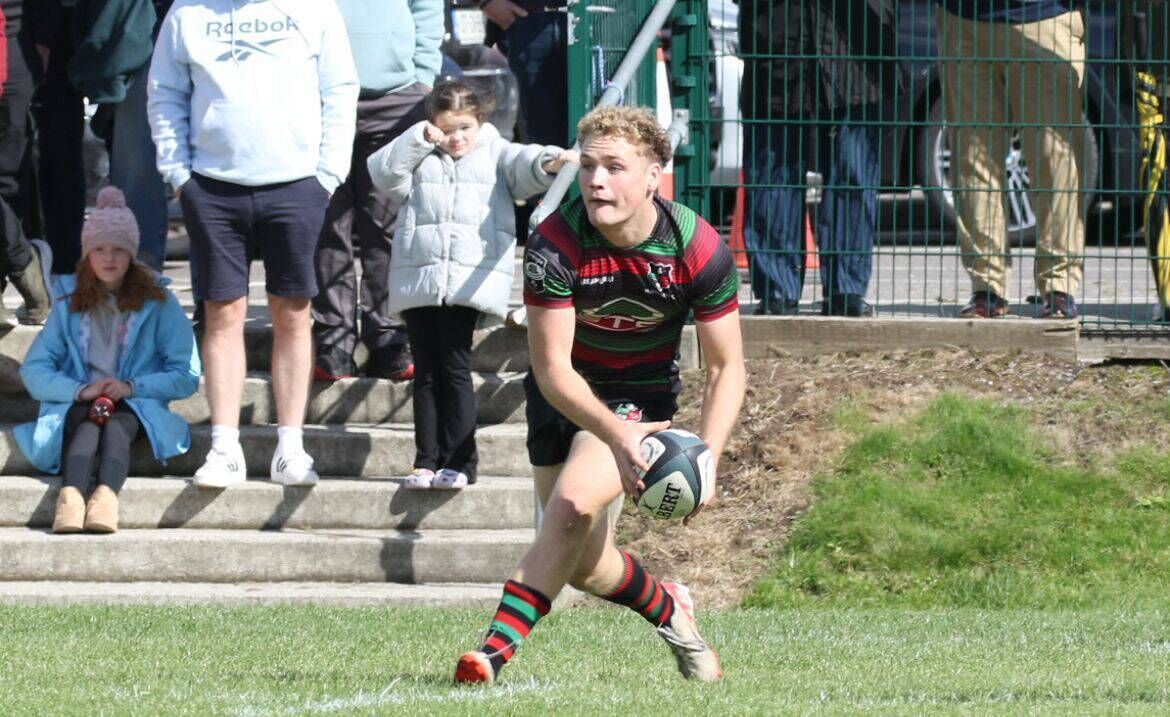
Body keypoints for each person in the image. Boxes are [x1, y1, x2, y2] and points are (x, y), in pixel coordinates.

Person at [453, 106, 745, 684]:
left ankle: (491, 653)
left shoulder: (697, 246)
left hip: (639, 398)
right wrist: (614, 436)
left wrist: (706, 455)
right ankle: (670, 608)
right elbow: (552, 369)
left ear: (654, 174)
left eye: (615, 166)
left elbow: (725, 367)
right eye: (587, 166)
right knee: (585, 564)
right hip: (562, 397)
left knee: (570, 510)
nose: (596, 180)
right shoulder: (555, 242)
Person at [148, 0, 359, 488]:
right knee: (222, 313)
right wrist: (180, 176)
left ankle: (291, 446)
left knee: (293, 313)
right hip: (212, 186)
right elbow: (164, 94)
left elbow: (340, 90)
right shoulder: (186, 11)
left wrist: (326, 175)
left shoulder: (316, 9)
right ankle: (224, 447)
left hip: (297, 183)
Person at [367, 81, 575, 490]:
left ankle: (462, 461)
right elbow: (383, 174)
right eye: (446, 128)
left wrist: (553, 161)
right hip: (420, 279)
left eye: (464, 127)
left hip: (465, 281)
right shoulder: (420, 155)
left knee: (454, 368)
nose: (456, 137)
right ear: (432, 126)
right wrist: (416, 139)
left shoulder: (494, 151)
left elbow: (523, 163)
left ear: (480, 121)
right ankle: (426, 460)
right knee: (426, 372)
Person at [15, 187, 200, 534]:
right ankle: (70, 499)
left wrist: (132, 386)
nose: (109, 258)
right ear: (87, 255)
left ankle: (105, 498)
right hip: (82, 400)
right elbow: (35, 369)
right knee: (89, 420)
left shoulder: (158, 301)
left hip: (137, 403)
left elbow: (187, 373)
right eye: (99, 249)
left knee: (117, 424)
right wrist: (81, 390)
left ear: (132, 254)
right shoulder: (68, 299)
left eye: (118, 249)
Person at [739, 0, 903, 317]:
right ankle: (777, 290)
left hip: (855, 50)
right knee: (774, 173)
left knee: (853, 173)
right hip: (778, 42)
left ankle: (847, 290)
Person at [312, 0, 443, 382]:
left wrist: (423, 78)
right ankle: (333, 340)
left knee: (387, 225)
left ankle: (388, 335)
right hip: (320, 96)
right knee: (326, 226)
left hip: (397, 98)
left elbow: (428, 9)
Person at [935, 0, 1087, 319]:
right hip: (963, 18)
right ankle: (987, 288)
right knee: (973, 161)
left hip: (1044, 17)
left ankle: (1058, 287)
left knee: (1054, 161)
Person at [0, 0, 52, 325]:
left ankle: (18, 266)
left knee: (7, 180)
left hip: (16, 40)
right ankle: (22, 261)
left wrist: (44, 40)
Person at [26, 0, 87, 274]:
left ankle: (61, 263)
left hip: (55, 26)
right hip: (31, 24)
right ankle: (30, 259)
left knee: (61, 155)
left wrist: (43, 34)